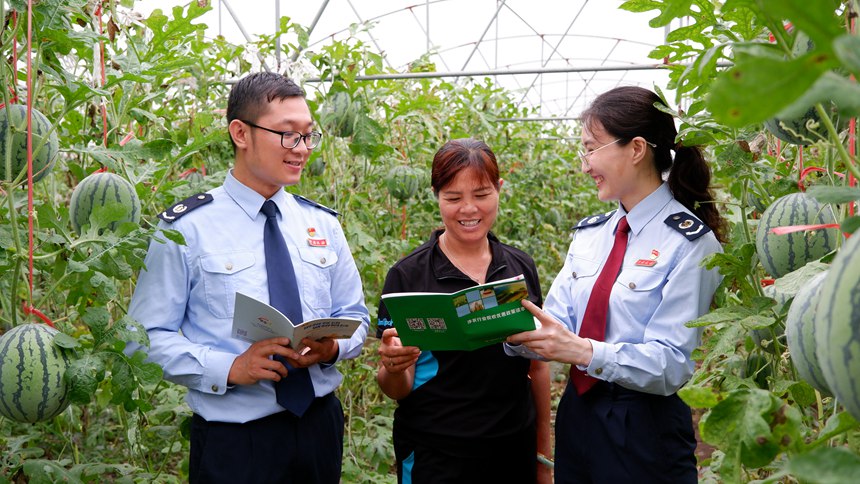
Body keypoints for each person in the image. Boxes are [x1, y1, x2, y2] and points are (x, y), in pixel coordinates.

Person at [127, 72, 369, 483]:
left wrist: (332, 348)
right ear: (240, 132)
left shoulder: (322, 224)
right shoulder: (186, 229)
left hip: (319, 428)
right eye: (288, 135)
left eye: (309, 136)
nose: (303, 149)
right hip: (236, 441)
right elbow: (144, 337)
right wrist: (229, 367)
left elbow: (355, 315)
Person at [508, 85, 725, 483]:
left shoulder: (690, 243)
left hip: (644, 426)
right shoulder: (592, 234)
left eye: (591, 148)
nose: (585, 164)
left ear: (637, 148)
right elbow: (556, 320)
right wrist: (501, 325)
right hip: (578, 414)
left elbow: (671, 364)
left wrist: (584, 351)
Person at [375, 139, 552, 484]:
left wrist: (542, 458)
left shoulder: (519, 267)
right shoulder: (408, 276)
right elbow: (396, 386)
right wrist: (393, 366)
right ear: (436, 195)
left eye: (482, 195)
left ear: (499, 190)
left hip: (512, 449)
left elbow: (537, 366)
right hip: (436, 455)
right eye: (453, 198)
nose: (468, 209)